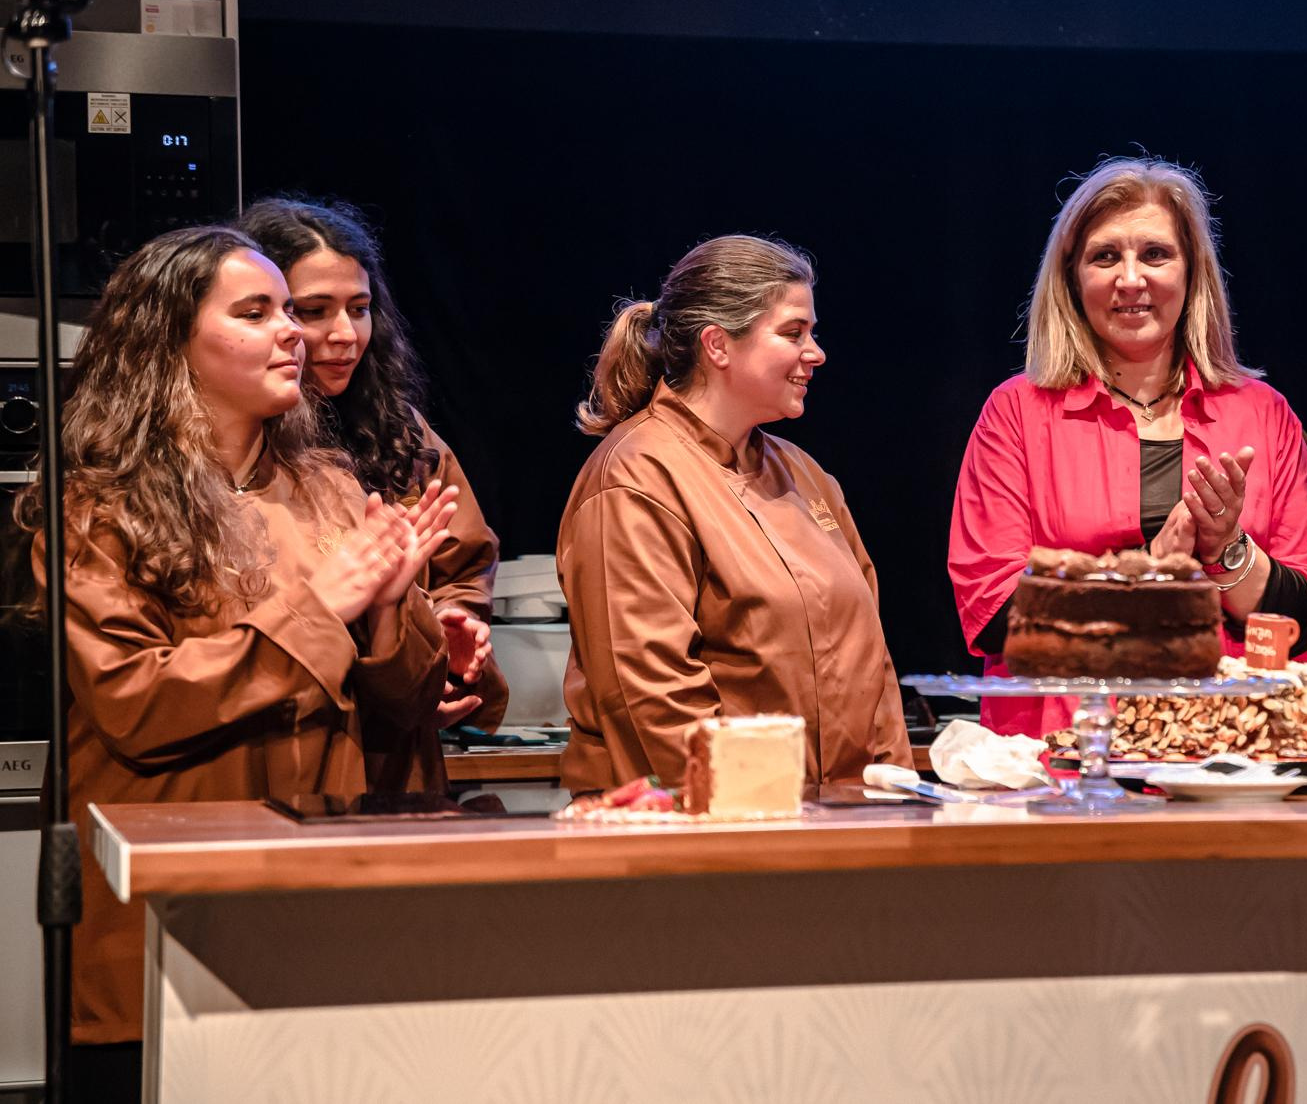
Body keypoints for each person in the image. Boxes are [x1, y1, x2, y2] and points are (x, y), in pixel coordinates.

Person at [15, 227, 470, 1091]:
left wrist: (388, 612)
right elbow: (135, 702)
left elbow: (408, 706)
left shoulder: (331, 488)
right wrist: (321, 608)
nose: (293, 331)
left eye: (287, 310)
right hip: (170, 910)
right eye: (256, 312)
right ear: (168, 341)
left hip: (319, 907)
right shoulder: (94, 510)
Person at [949, 157, 1307, 738]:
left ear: (1192, 273)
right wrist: (1150, 573)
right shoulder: (1016, 413)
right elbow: (990, 611)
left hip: (1224, 750)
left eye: (1155, 254)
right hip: (1060, 753)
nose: (1131, 279)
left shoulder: (1262, 413)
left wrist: (1226, 548)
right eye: (1105, 256)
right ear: (1072, 278)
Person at [557, 235, 911, 791]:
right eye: (793, 333)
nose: (816, 353)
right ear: (718, 345)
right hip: (714, 821)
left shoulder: (805, 474)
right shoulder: (636, 475)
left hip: (836, 818)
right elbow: (652, 694)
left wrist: (891, 793)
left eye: (811, 333)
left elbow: (874, 665)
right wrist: (751, 810)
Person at [240, 197, 506, 791]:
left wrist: (448, 631)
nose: (344, 334)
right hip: (282, 740)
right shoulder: (239, 439)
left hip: (394, 746)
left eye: (360, 310)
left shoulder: (401, 434)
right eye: (314, 311)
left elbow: (462, 563)